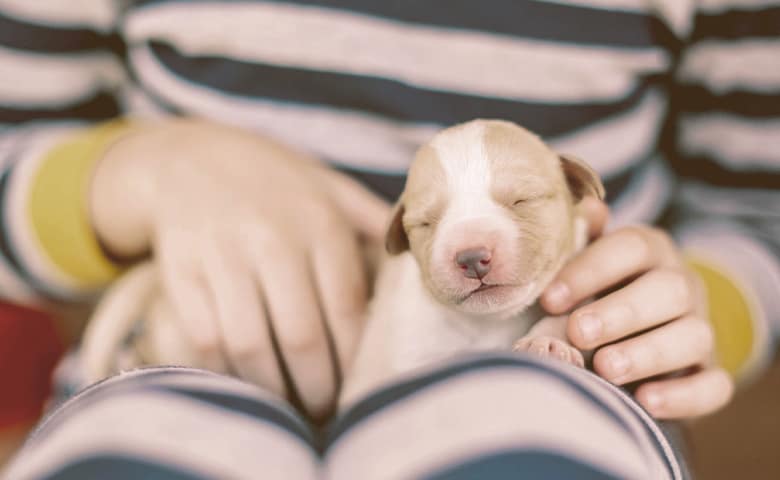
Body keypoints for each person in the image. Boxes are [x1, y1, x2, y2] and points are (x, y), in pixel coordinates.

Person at [0, 0, 776, 477]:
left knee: (526, 459)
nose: (468, 247)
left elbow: (761, 215)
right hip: (170, 365)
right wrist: (132, 177)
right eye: (428, 221)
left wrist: (698, 310)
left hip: (569, 385)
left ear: (579, 188)